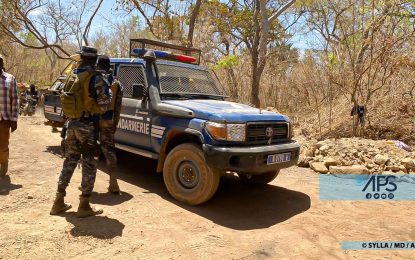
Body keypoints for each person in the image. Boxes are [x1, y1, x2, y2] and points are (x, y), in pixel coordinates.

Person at [50, 46, 111, 218]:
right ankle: (84, 205)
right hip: (88, 125)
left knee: (70, 160)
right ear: (94, 60)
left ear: (82, 58)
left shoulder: (72, 75)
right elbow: (104, 104)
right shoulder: (96, 78)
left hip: (71, 124)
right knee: (89, 163)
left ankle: (58, 202)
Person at [96, 55, 123, 194]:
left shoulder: (93, 79)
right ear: (109, 66)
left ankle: (87, 185)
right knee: (109, 151)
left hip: (92, 120)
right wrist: (115, 124)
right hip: (108, 119)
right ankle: (113, 184)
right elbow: (118, 107)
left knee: (91, 151)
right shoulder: (116, 83)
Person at [0, 54, 18, 177]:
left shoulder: (10, 79)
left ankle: (3, 163)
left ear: (2, 63)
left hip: (4, 119)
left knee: (3, 145)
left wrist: (14, 119)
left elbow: (15, 99)